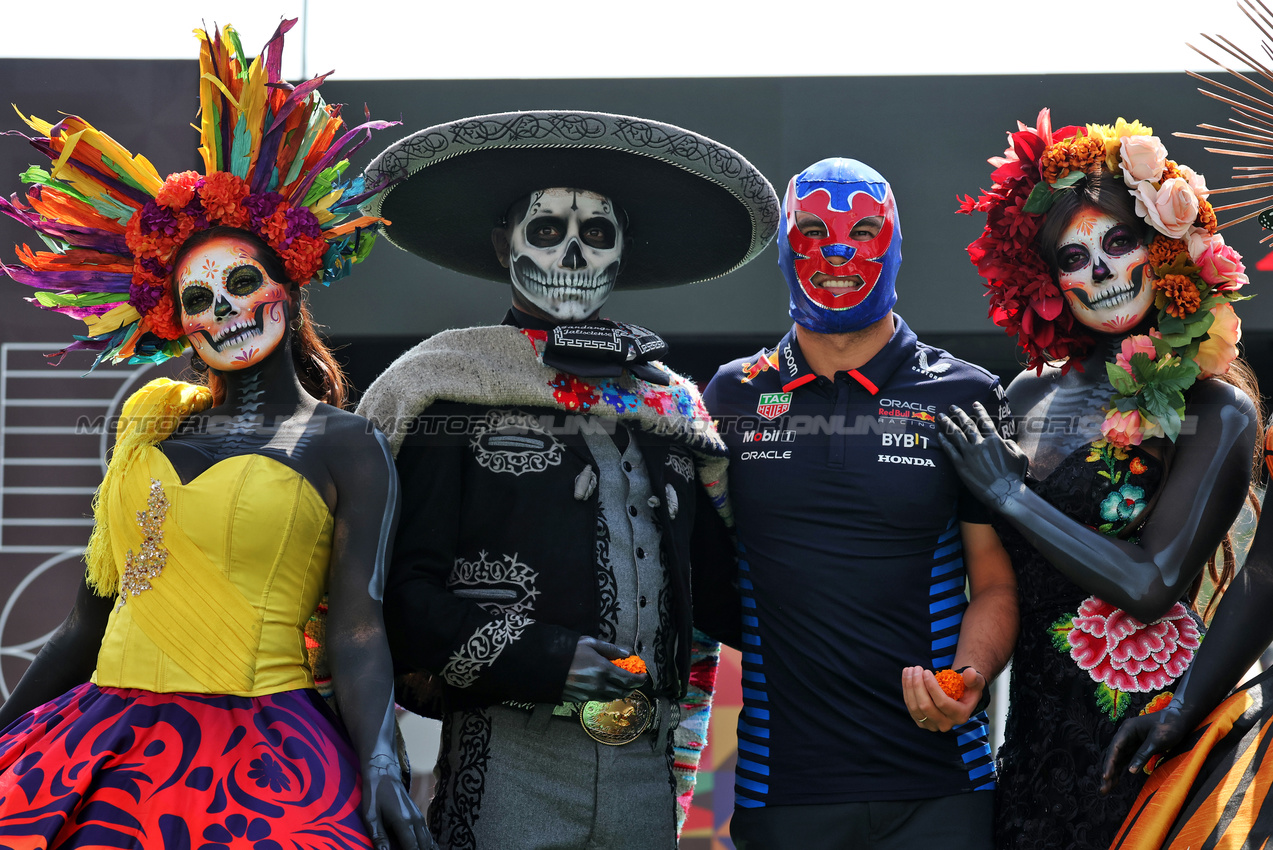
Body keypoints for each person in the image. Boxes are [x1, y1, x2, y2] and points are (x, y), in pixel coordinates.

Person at [0, 22, 434, 850]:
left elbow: (356, 628)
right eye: (197, 299)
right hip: (104, 743)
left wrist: (380, 763)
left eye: (241, 282)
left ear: (287, 284)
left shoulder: (345, 445)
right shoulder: (149, 416)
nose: (222, 311)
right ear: (173, 319)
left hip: (261, 761)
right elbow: (86, 625)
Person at [352, 110, 779, 850]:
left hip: (644, 771)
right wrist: (549, 660)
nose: (574, 257)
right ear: (501, 245)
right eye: (547, 232)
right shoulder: (444, 389)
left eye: (597, 235)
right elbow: (395, 597)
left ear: (622, 258)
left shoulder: (669, 407)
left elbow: (723, 591)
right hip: (507, 759)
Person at [943, 109, 1261, 850]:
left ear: (1160, 246)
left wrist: (1009, 494)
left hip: (1152, 751)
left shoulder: (1212, 408)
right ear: (1043, 278)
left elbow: (1152, 581)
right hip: (1029, 752)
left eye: (1119, 242)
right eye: (1072, 256)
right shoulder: (1020, 397)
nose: (1102, 272)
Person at [700, 157, 1018, 850]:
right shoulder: (730, 395)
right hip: (779, 790)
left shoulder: (963, 393)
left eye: (863, 230)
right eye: (811, 230)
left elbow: (993, 580)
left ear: (894, 242)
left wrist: (969, 676)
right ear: (784, 245)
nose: (838, 251)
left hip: (940, 791)